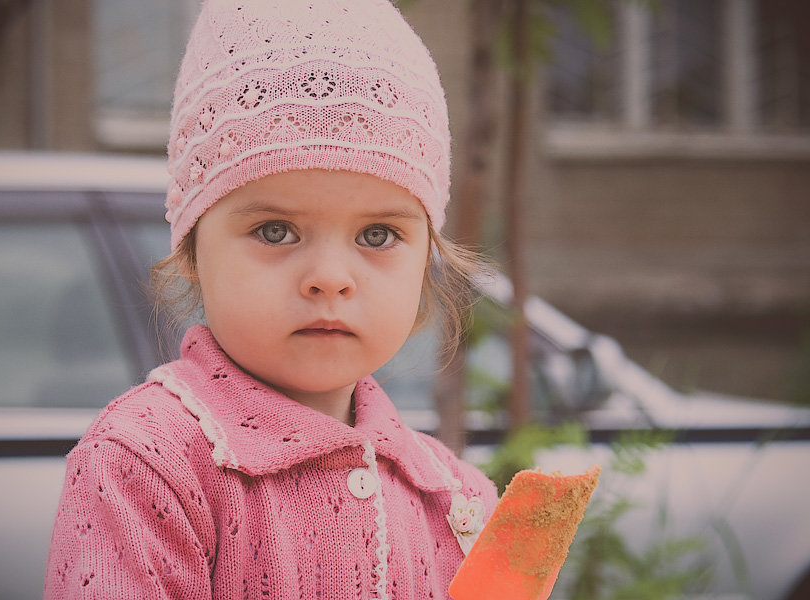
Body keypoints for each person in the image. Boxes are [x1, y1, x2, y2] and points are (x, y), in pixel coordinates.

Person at [44, 0, 498, 598]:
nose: (330, 278)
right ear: (190, 252)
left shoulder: (457, 498)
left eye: (378, 235)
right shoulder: (147, 463)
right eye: (275, 231)